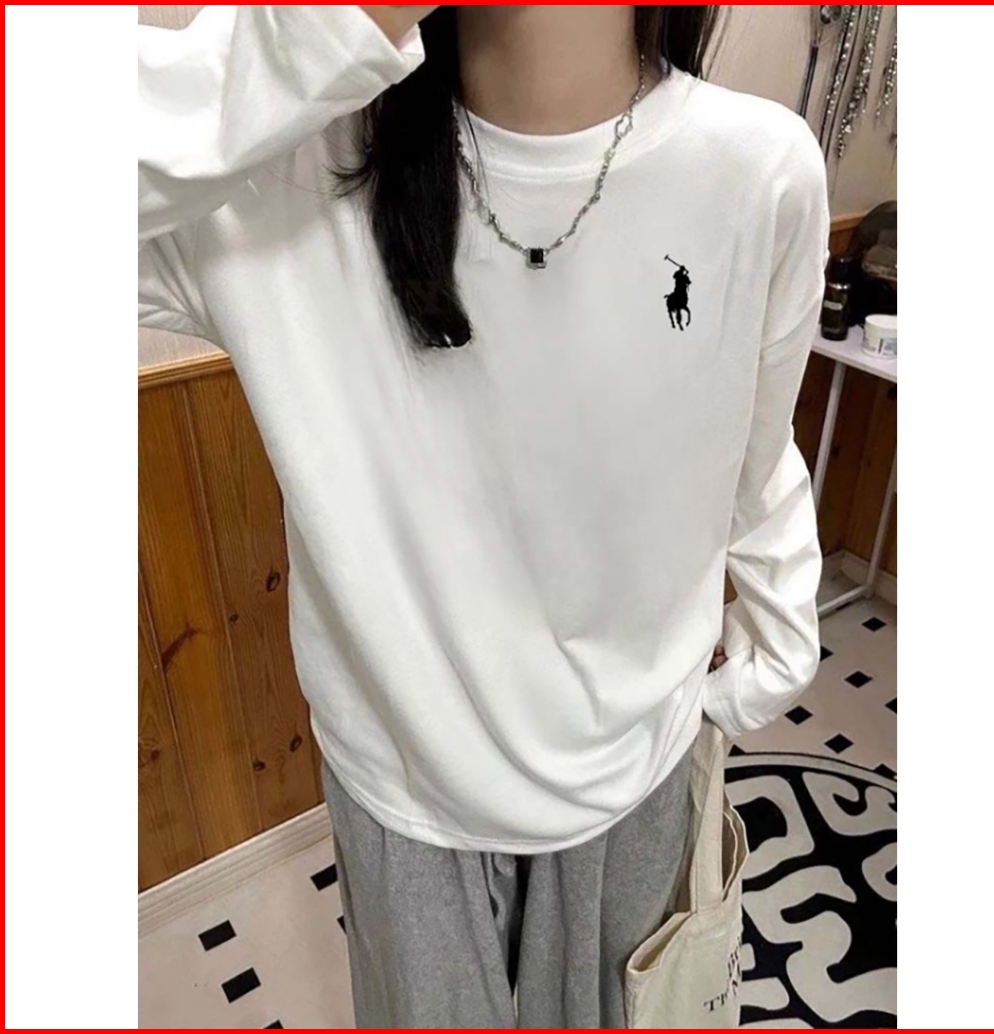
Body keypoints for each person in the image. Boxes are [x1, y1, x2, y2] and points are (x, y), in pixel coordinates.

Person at [138, 5, 828, 1028]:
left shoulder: (759, 168)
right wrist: (326, 33)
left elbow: (755, 448)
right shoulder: (278, 176)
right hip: (405, 799)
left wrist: (776, 647)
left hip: (639, 774)